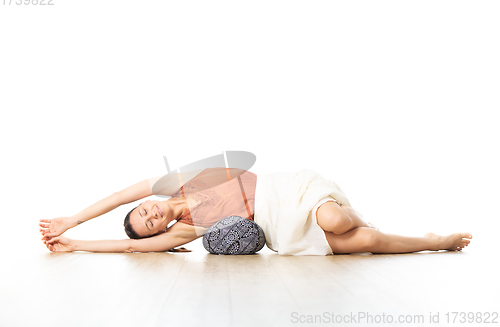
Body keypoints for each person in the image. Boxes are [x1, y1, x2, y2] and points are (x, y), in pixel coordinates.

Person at [40, 167, 472, 254]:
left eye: (144, 212)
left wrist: (71, 218)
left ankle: (351, 209)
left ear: (146, 202)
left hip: (285, 192)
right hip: (280, 231)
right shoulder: (185, 231)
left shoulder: (170, 182)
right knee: (368, 243)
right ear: (160, 232)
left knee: (337, 221)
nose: (151, 216)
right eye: (149, 226)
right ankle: (435, 241)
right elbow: (125, 247)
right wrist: (75, 243)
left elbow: (115, 196)